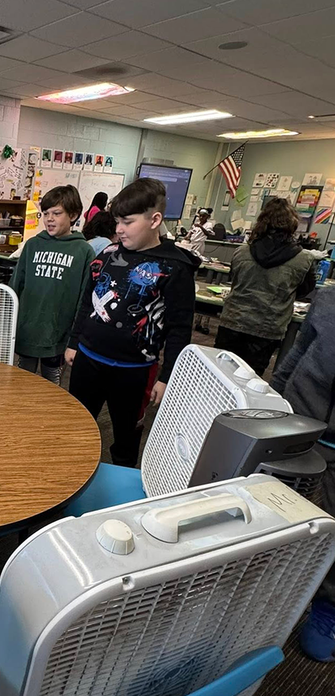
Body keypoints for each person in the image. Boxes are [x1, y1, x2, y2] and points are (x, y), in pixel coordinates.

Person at [66, 178, 199, 467]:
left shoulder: (176, 267)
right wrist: (74, 341)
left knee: (126, 438)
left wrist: (167, 376)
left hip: (134, 371)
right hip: (88, 359)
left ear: (155, 220)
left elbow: (179, 329)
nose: (118, 229)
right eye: (117, 222)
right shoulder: (108, 255)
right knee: (74, 429)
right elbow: (87, 301)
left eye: (127, 222)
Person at [270, 287, 335, 661]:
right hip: (299, 427)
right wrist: (272, 398)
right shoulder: (328, 302)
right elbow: (296, 356)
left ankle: (327, 608)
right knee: (274, 511)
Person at [214, 197, 317, 376]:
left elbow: (234, 277)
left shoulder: (242, 252)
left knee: (220, 374)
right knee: (251, 379)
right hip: (268, 328)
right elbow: (305, 289)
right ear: (292, 224)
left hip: (233, 321)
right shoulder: (304, 259)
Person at [10, 185, 93, 384]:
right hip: (29, 328)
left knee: (51, 382)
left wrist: (75, 336)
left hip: (58, 332)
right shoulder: (32, 245)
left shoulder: (83, 251)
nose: (49, 219)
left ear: (73, 215)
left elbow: (85, 298)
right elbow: (15, 286)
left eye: (56, 213)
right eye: (45, 213)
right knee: (22, 380)